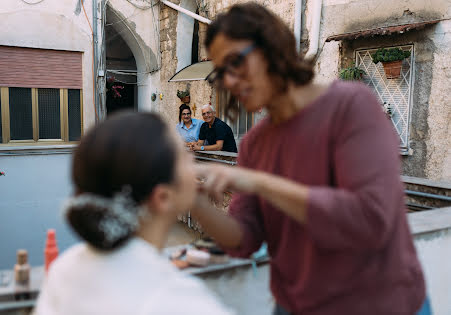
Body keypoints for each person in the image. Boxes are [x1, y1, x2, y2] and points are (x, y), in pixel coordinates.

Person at [191, 3, 427, 315]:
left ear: (273, 48)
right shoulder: (255, 144)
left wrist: (261, 182)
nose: (230, 82)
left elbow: (370, 221)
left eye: (236, 62)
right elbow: (244, 239)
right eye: (222, 73)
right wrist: (192, 200)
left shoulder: (352, 107)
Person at [33, 112, 233, 315]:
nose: (195, 163)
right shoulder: (177, 301)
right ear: (163, 198)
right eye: (185, 157)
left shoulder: (65, 268)